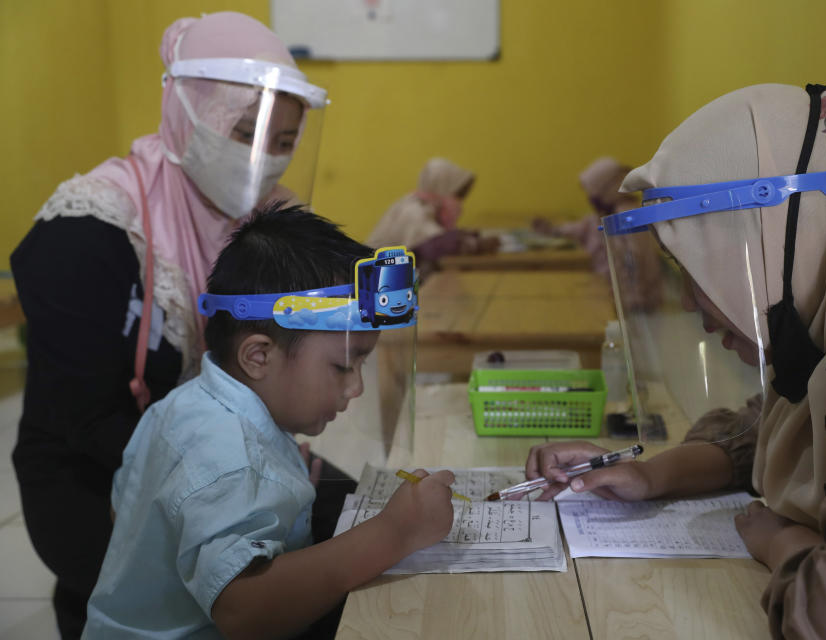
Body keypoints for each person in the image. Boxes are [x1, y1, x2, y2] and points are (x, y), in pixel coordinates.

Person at [522, 82, 826, 639]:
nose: (690, 306)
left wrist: (784, 544)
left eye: (698, 264)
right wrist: (647, 476)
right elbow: (773, 428)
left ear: (769, 234)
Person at [10, 12, 328, 637]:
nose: (268, 159)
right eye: (247, 132)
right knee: (235, 600)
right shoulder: (89, 229)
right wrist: (221, 482)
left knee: (343, 528)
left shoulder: (265, 220)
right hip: (92, 475)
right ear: (191, 114)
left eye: (285, 142)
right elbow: (87, 416)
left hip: (226, 457)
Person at [83, 203, 455, 639]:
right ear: (258, 355)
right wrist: (394, 533)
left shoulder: (179, 406)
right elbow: (245, 612)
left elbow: (123, 508)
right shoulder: (234, 457)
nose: (356, 388)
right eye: (343, 366)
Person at [532, 157, 662, 309]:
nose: (591, 199)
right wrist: (551, 229)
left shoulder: (627, 215)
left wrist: (633, 299)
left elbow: (634, 259)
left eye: (594, 193)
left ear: (610, 188)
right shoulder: (603, 215)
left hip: (637, 301)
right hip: (613, 292)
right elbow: (579, 228)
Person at [366, 157, 498, 267]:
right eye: (457, 195)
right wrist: (475, 245)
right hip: (374, 284)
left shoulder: (425, 207)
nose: (458, 203)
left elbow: (440, 237)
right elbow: (435, 246)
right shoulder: (414, 210)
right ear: (441, 187)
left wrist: (469, 236)